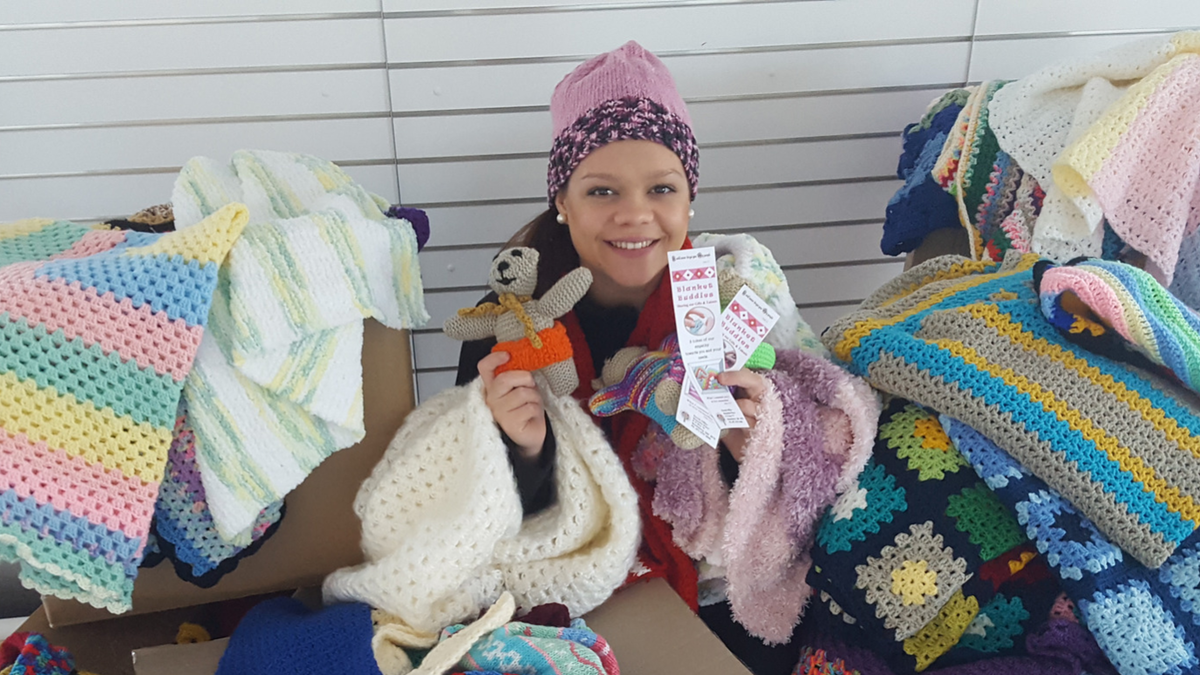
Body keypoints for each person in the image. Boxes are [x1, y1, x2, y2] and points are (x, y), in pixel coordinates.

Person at [455, 41, 816, 675]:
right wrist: (525, 449)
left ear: (689, 198)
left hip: (706, 587)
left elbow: (793, 500)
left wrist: (749, 450)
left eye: (661, 188)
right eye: (601, 191)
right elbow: (475, 515)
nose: (635, 215)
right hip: (555, 588)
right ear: (562, 201)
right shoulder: (511, 321)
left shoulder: (730, 301)